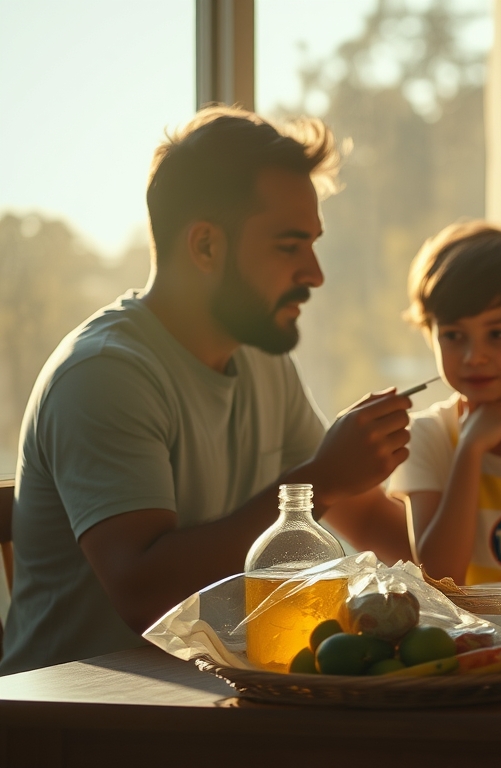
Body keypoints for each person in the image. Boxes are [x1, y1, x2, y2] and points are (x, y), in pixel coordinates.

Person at [0, 107, 416, 676]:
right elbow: (145, 596)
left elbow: (365, 516)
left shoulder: (263, 362)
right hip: (83, 721)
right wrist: (325, 477)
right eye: (289, 246)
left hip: (209, 702)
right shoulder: (103, 374)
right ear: (205, 246)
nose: (316, 273)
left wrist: (473, 512)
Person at [387, 222, 501, 585]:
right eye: (453, 335)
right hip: (471, 640)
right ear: (431, 335)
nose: (474, 356)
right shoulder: (428, 436)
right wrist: (469, 449)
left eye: (498, 334)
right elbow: (440, 575)